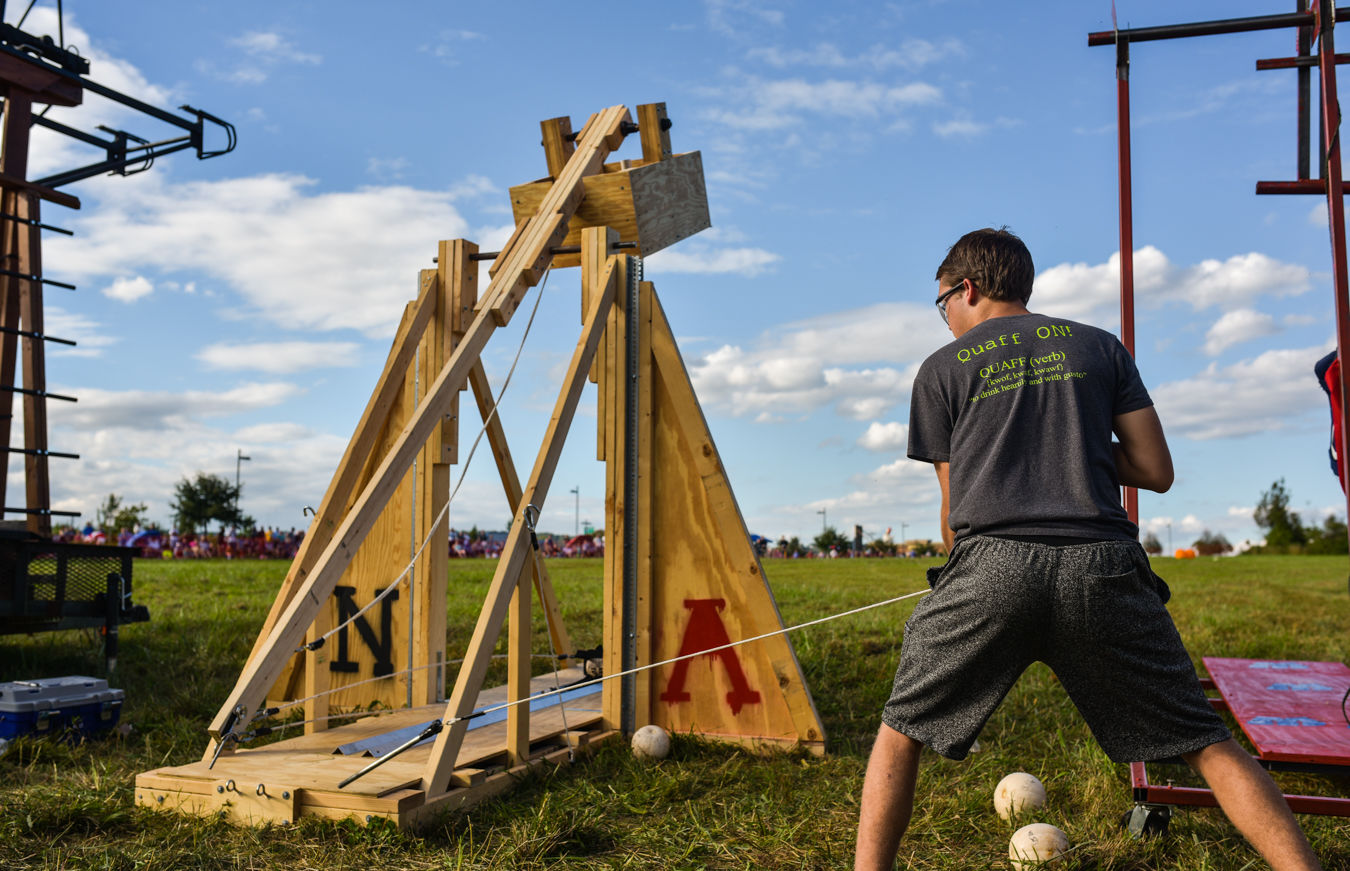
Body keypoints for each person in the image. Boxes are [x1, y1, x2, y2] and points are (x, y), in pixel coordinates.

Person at [854, 228, 1322, 870]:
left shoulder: (942, 368)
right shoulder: (1100, 346)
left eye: (943, 304)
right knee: (1206, 742)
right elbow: (1155, 469)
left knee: (901, 731)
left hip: (991, 564)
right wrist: (1074, 445)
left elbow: (953, 509)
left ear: (967, 288)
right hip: (1103, 565)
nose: (946, 318)